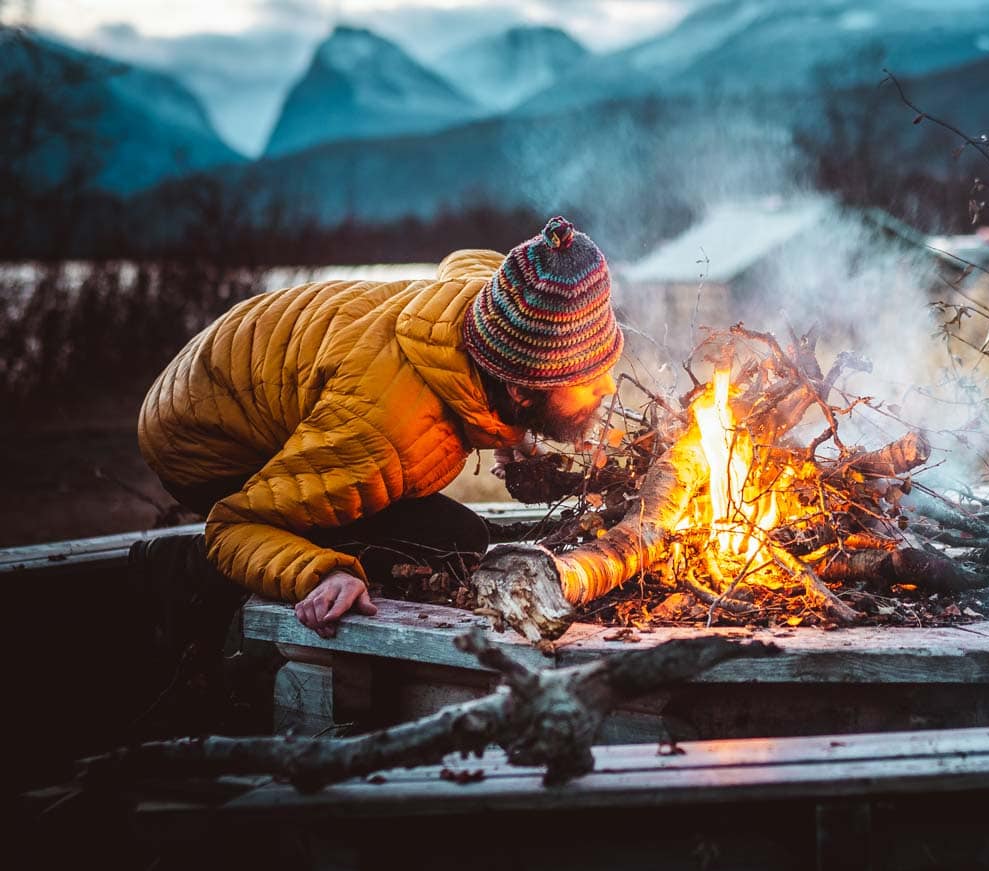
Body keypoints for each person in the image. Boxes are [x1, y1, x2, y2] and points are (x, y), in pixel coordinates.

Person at [130, 216, 622, 647]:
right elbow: (233, 523)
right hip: (199, 440)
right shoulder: (387, 435)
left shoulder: (481, 301)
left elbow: (469, 260)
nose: (606, 385)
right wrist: (321, 573)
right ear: (521, 390)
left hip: (241, 371)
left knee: (448, 536)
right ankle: (184, 569)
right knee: (445, 542)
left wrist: (515, 434)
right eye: (583, 379)